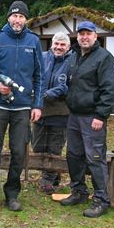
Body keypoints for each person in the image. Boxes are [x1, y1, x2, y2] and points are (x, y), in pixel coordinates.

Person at [0, 0, 45, 215]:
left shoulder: (33, 42)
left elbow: (40, 76)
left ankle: (12, 194)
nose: (17, 20)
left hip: (23, 107)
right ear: (8, 17)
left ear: (26, 19)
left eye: (21, 17)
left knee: (18, 152)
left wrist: (37, 104)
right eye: (14, 16)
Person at [60, 21, 114, 218]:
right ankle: (79, 191)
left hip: (92, 117)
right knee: (73, 155)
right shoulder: (74, 56)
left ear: (95, 36)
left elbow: (110, 90)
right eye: (81, 34)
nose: (84, 37)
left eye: (88, 34)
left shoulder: (104, 58)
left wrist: (101, 115)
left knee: (95, 158)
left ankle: (101, 199)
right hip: (75, 116)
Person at [33, 32, 72, 194]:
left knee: (54, 148)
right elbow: (34, 77)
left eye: (62, 45)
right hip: (40, 109)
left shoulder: (73, 61)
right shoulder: (42, 57)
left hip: (60, 111)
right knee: (37, 146)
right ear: (52, 44)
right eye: (56, 44)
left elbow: (71, 84)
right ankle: (53, 175)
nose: (59, 47)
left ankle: (47, 180)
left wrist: (54, 92)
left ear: (68, 47)